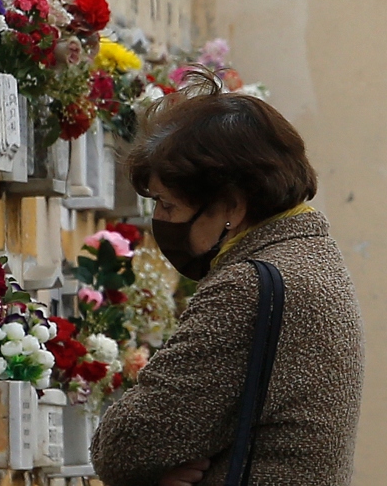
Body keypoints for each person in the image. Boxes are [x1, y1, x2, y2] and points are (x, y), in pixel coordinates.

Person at [90, 69, 364, 486]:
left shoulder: (247, 287)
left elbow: (127, 445)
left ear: (232, 206)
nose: (159, 220)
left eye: (167, 204)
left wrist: (153, 464)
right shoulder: (311, 256)